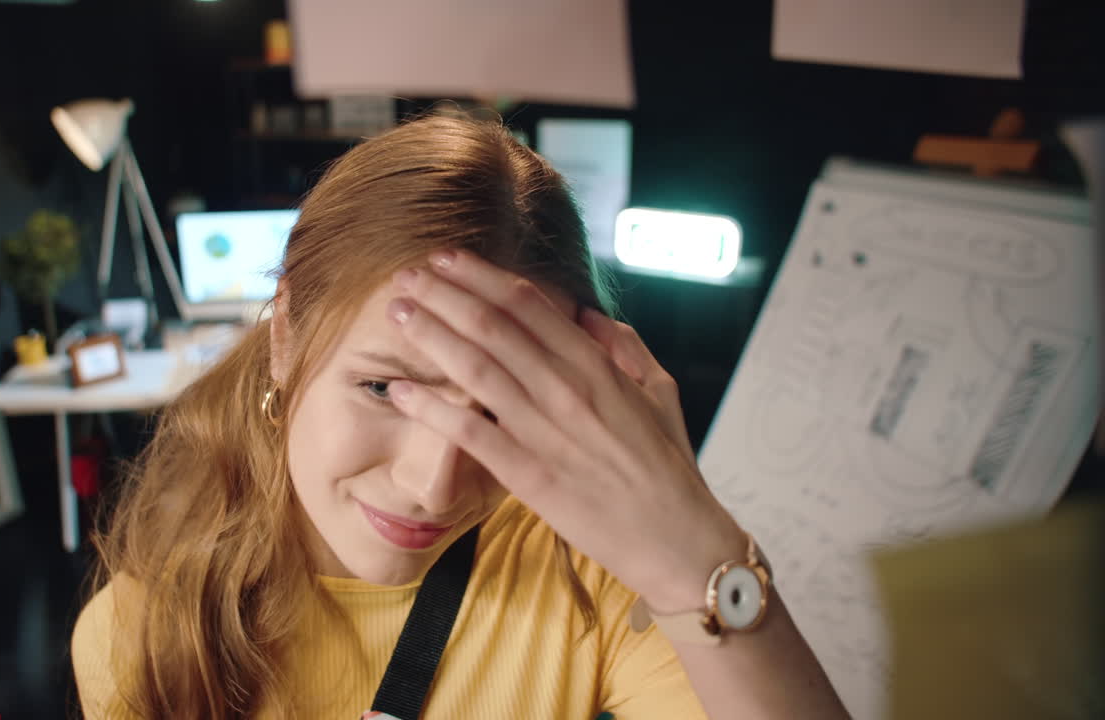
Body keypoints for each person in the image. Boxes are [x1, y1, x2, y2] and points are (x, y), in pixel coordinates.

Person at [72, 114, 849, 719]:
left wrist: (699, 556)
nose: (434, 487)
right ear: (286, 337)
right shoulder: (143, 636)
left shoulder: (584, 571)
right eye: (383, 388)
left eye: (500, 410)